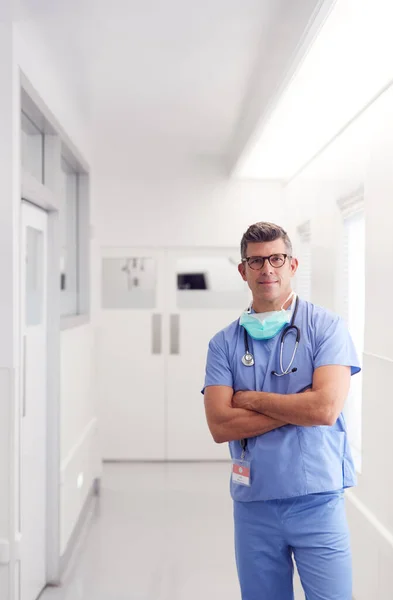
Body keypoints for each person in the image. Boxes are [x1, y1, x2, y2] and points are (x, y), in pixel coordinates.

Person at [202, 222, 360, 600]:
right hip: (255, 503)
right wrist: (297, 405)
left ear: (293, 265)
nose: (267, 269)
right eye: (256, 261)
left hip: (318, 500)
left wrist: (254, 399)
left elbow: (323, 409)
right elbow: (221, 424)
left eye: (276, 258)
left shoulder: (327, 328)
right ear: (243, 271)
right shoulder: (223, 343)